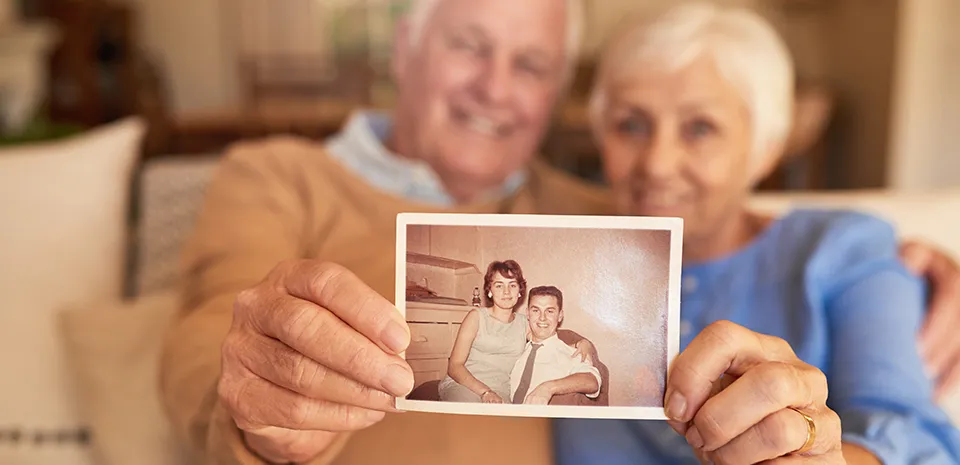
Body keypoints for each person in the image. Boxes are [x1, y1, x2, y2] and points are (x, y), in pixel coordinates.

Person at [159, 0, 960, 463]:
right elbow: (207, 329)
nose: (496, 90)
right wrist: (255, 405)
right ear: (406, 48)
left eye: (532, 65)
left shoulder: (595, 217)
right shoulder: (277, 174)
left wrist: (915, 262)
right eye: (470, 45)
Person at [551, 3, 960, 464]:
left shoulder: (844, 249)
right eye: (631, 125)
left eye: (700, 128)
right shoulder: (564, 253)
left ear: (765, 148)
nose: (658, 164)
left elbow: (920, 439)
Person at [439, 260, 530, 403]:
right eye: (499, 285)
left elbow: (550, 341)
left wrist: (577, 345)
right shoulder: (476, 317)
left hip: (501, 392)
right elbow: (454, 366)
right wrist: (485, 391)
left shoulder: (525, 323)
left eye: (512, 285)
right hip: (464, 385)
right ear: (489, 291)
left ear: (520, 291)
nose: (506, 292)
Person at [510, 286, 601, 405]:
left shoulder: (572, 353)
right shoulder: (516, 348)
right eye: (536, 310)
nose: (542, 318)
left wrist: (548, 388)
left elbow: (592, 381)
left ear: (560, 316)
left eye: (550, 311)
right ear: (527, 314)